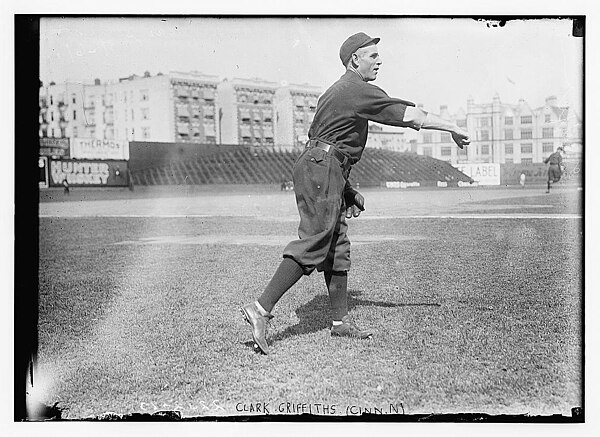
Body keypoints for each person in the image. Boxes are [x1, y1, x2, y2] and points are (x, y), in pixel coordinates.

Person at [241, 32, 470, 354]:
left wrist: (345, 188)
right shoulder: (355, 89)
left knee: (336, 245)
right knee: (316, 240)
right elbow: (410, 116)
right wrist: (453, 127)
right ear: (354, 60)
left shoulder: (339, 91)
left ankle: (339, 323)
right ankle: (260, 309)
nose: (379, 61)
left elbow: (325, 140)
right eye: (372, 56)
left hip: (323, 164)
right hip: (322, 165)